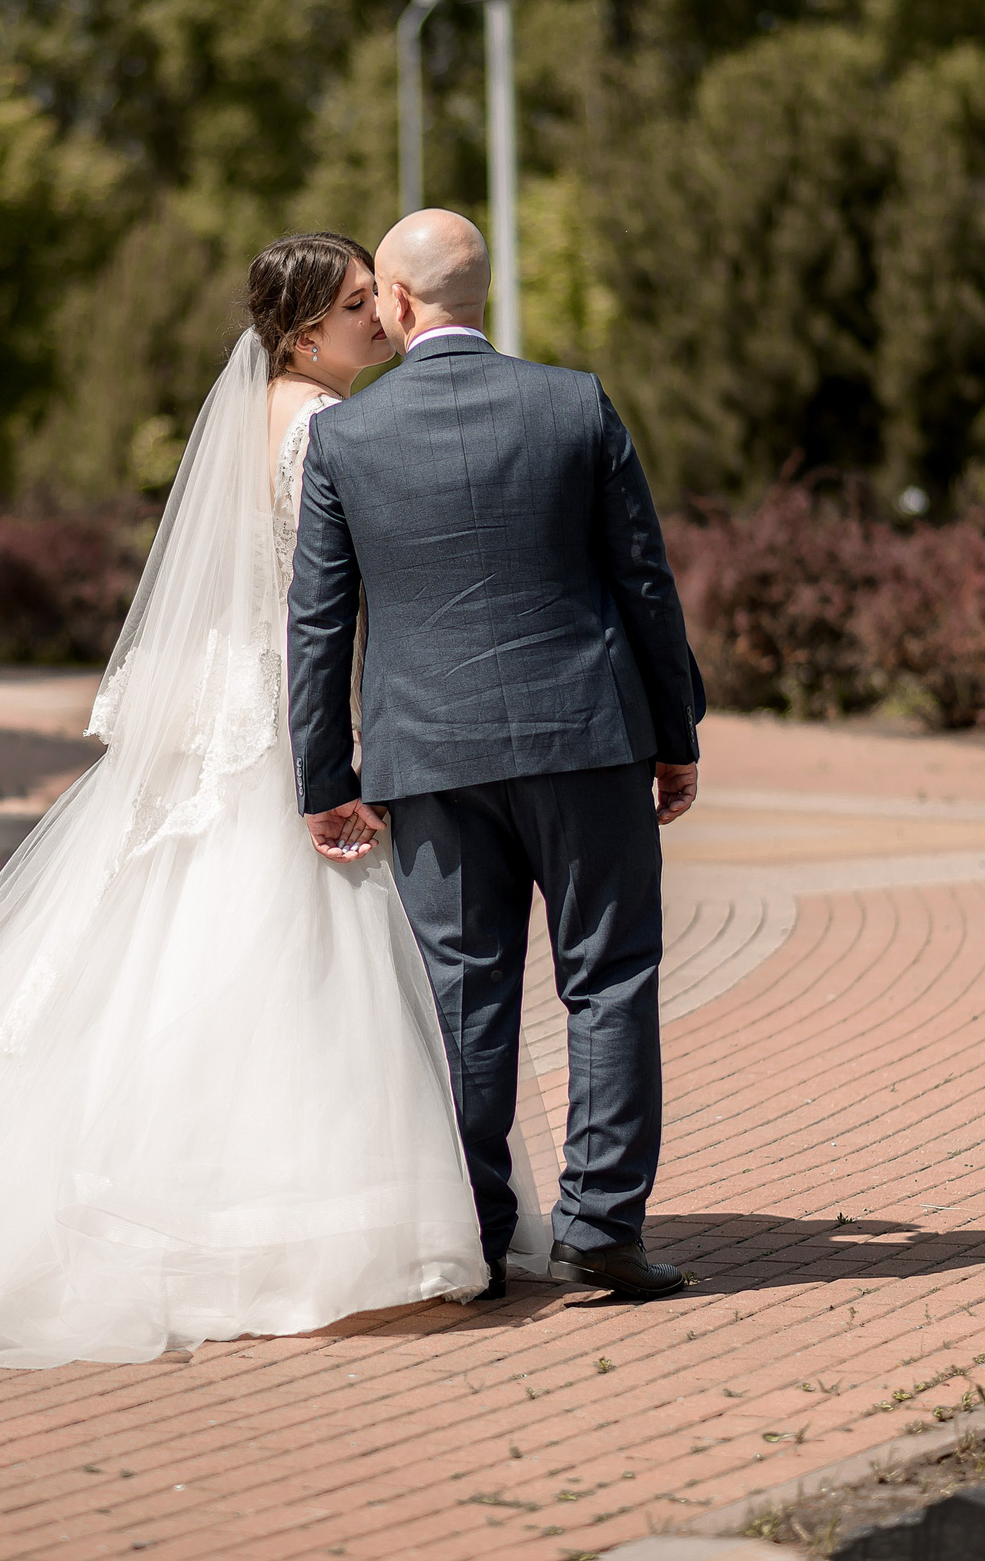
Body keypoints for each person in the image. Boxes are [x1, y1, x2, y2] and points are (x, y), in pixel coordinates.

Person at [0, 233, 507, 1368]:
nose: (379, 319)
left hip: (226, 705)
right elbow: (325, 597)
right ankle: (308, 1235)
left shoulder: (260, 418)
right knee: (288, 952)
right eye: (354, 306)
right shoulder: (324, 428)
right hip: (285, 717)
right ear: (301, 333)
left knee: (176, 945)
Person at [285, 209, 705, 1302]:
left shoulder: (347, 438)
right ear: (478, 292)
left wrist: (323, 777)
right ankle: (601, 1227)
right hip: (585, 738)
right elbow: (643, 583)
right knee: (608, 980)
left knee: (466, 998)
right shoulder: (572, 403)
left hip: (427, 757)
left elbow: (319, 623)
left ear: (398, 301)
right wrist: (675, 737)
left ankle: (474, 1234)